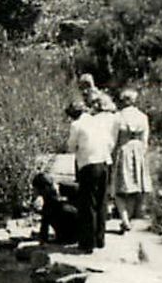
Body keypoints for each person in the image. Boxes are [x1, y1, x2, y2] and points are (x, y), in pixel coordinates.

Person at [65, 93, 117, 251]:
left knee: (87, 204)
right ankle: (100, 239)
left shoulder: (76, 125)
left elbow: (71, 147)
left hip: (89, 164)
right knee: (101, 202)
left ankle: (87, 243)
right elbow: (109, 142)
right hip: (104, 162)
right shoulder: (97, 121)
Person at [111, 88, 152, 234]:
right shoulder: (142, 117)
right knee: (134, 188)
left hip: (123, 150)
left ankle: (124, 219)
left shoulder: (118, 117)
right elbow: (145, 140)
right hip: (138, 151)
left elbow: (113, 139)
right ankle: (129, 218)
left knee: (119, 188)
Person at [31, 172, 79, 244]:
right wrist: (43, 237)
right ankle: (63, 237)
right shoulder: (49, 197)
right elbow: (45, 217)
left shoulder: (72, 188)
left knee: (63, 209)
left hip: (82, 222)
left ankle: (71, 237)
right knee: (51, 208)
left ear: (46, 188)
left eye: (40, 192)